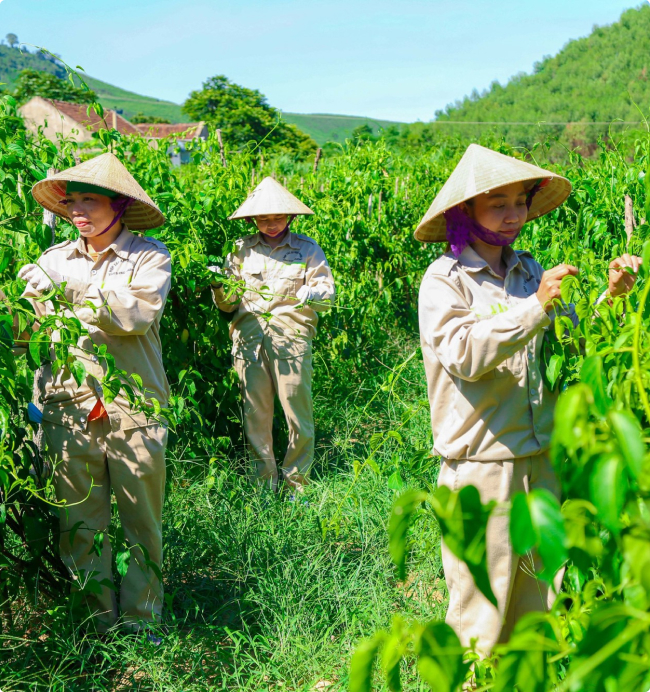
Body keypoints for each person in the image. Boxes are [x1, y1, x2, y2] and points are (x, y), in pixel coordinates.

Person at [415, 144, 641, 654]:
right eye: (498, 204)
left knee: (541, 613)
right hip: (481, 469)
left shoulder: (529, 271)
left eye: (520, 201)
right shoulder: (444, 282)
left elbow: (574, 348)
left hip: (541, 464)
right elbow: (467, 355)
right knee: (481, 621)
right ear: (463, 212)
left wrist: (612, 297)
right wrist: (536, 309)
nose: (514, 214)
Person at [20, 152, 171, 634]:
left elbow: (135, 314)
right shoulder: (51, 259)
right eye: (72, 202)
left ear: (120, 205)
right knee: (80, 525)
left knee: (141, 523)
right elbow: (28, 330)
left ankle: (143, 623)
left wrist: (65, 290)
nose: (78, 210)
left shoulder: (149, 256)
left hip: (134, 405)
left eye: (91, 200)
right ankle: (96, 626)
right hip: (67, 403)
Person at [210, 176, 335, 492]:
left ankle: (298, 486)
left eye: (277, 217)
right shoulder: (239, 250)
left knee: (298, 415)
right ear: (253, 219)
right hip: (248, 342)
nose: (271, 224)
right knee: (255, 417)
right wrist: (217, 286)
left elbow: (328, 294)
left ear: (290, 216)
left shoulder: (307, 249)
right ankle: (264, 486)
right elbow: (228, 306)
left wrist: (314, 292)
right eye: (263, 219)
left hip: (292, 341)